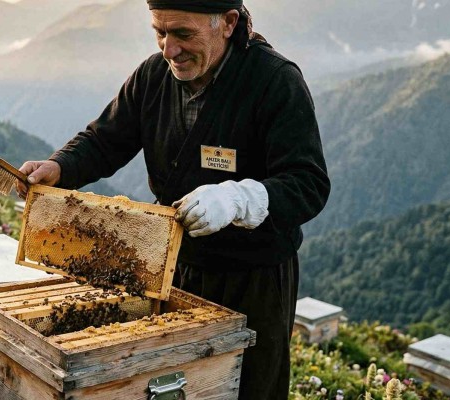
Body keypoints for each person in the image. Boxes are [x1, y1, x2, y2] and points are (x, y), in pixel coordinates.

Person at [17, 0, 330, 398]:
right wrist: (59, 167)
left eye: (183, 34)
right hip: (173, 267)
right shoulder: (152, 76)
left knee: (249, 387)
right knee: (179, 384)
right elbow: (104, 140)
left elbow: (308, 183)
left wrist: (238, 199)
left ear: (229, 23)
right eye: (160, 33)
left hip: (253, 280)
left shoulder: (275, 81)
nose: (169, 50)